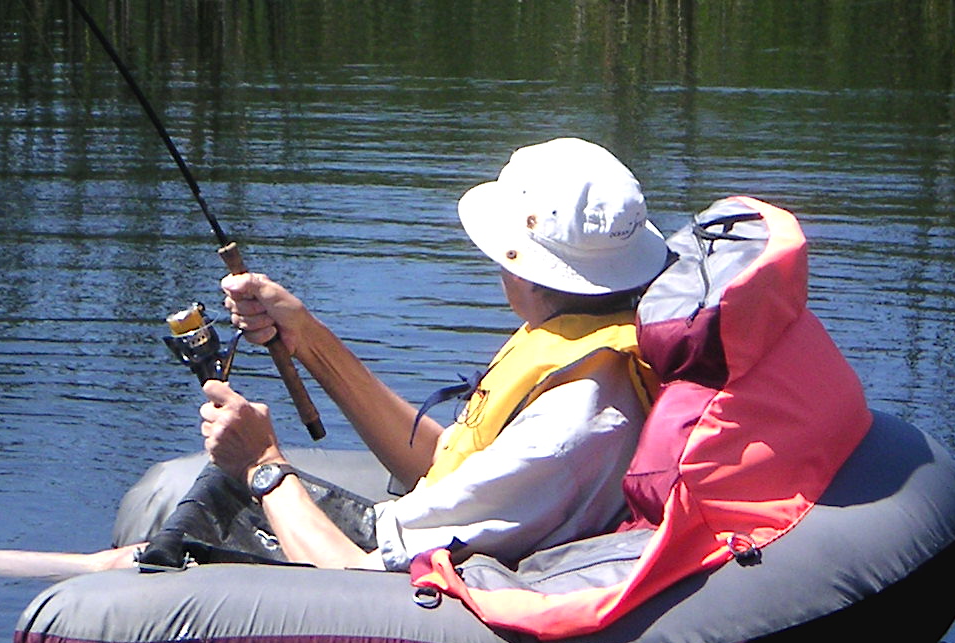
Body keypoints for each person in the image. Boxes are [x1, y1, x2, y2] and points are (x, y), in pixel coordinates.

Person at [173, 137, 672, 572]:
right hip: (412, 553)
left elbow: (349, 578)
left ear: (520, 266)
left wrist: (262, 465)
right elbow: (436, 462)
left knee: (142, 558)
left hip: (378, 595)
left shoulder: (571, 423)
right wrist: (305, 336)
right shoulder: (581, 345)